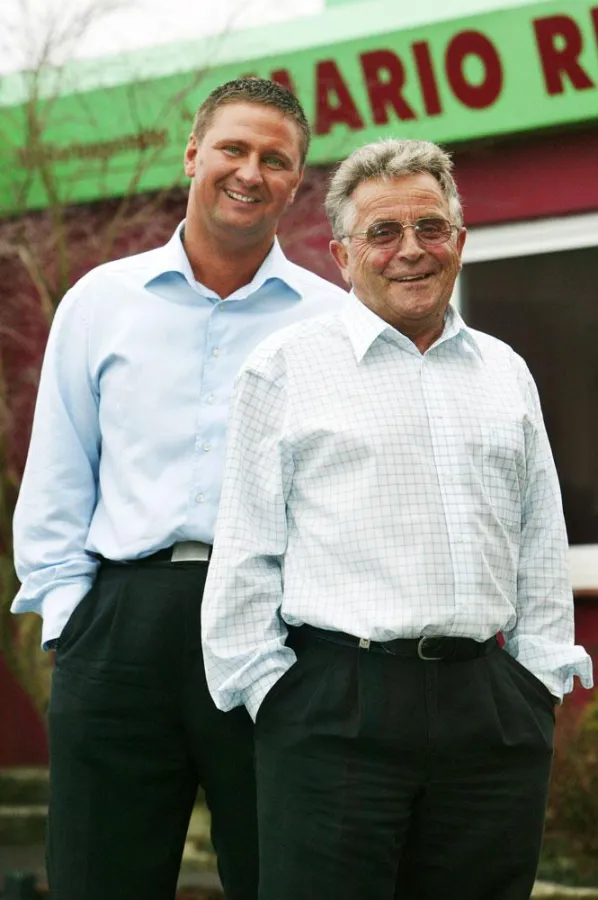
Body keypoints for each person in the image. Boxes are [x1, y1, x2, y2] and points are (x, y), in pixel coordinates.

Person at [201, 138, 594, 900]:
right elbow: (246, 555)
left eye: (430, 228)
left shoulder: (506, 371)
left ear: (459, 242)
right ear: (344, 256)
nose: (409, 249)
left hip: (490, 711)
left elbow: (541, 541)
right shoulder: (283, 369)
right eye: (382, 232)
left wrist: (537, 686)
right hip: (333, 708)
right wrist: (274, 698)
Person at [12, 77, 347, 900]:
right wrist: (70, 621)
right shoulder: (100, 302)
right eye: (233, 147)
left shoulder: (333, 322)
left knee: (282, 877)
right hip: (121, 627)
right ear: (193, 153)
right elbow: (58, 473)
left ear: (295, 184)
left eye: (276, 159)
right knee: (100, 879)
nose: (250, 170)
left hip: (276, 627)